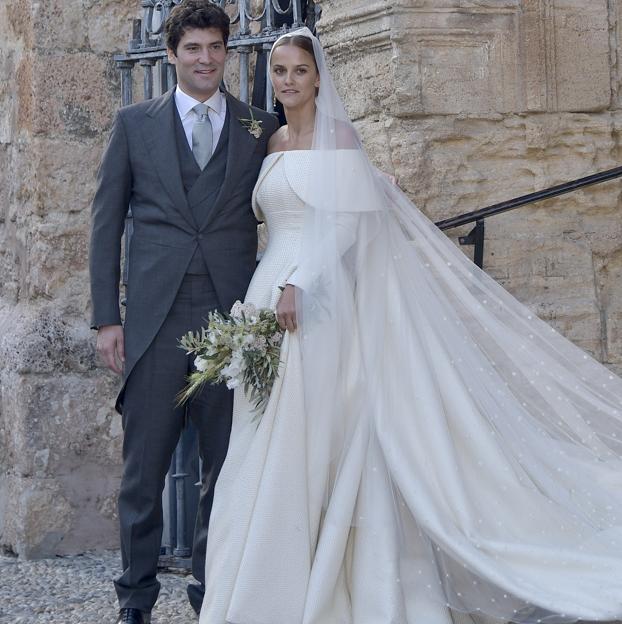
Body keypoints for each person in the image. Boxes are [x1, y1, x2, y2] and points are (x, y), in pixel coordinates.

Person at [199, 27, 622, 624]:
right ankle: (261, 582)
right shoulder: (269, 146)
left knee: (310, 435)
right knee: (261, 439)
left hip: (310, 300)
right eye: (279, 71)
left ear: (319, 77)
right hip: (263, 300)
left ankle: (322, 575)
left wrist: (303, 281)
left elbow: (345, 225)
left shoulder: (339, 137)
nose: (288, 81)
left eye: (298, 70)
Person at [89, 1, 279, 622]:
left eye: (215, 48)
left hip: (232, 320)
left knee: (222, 473)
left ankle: (210, 594)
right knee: (143, 475)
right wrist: (106, 318)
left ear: (228, 53)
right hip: (153, 324)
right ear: (172, 54)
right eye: (193, 49)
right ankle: (135, 600)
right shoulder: (135, 124)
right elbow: (105, 223)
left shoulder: (256, 127)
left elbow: (301, 179)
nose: (205, 60)